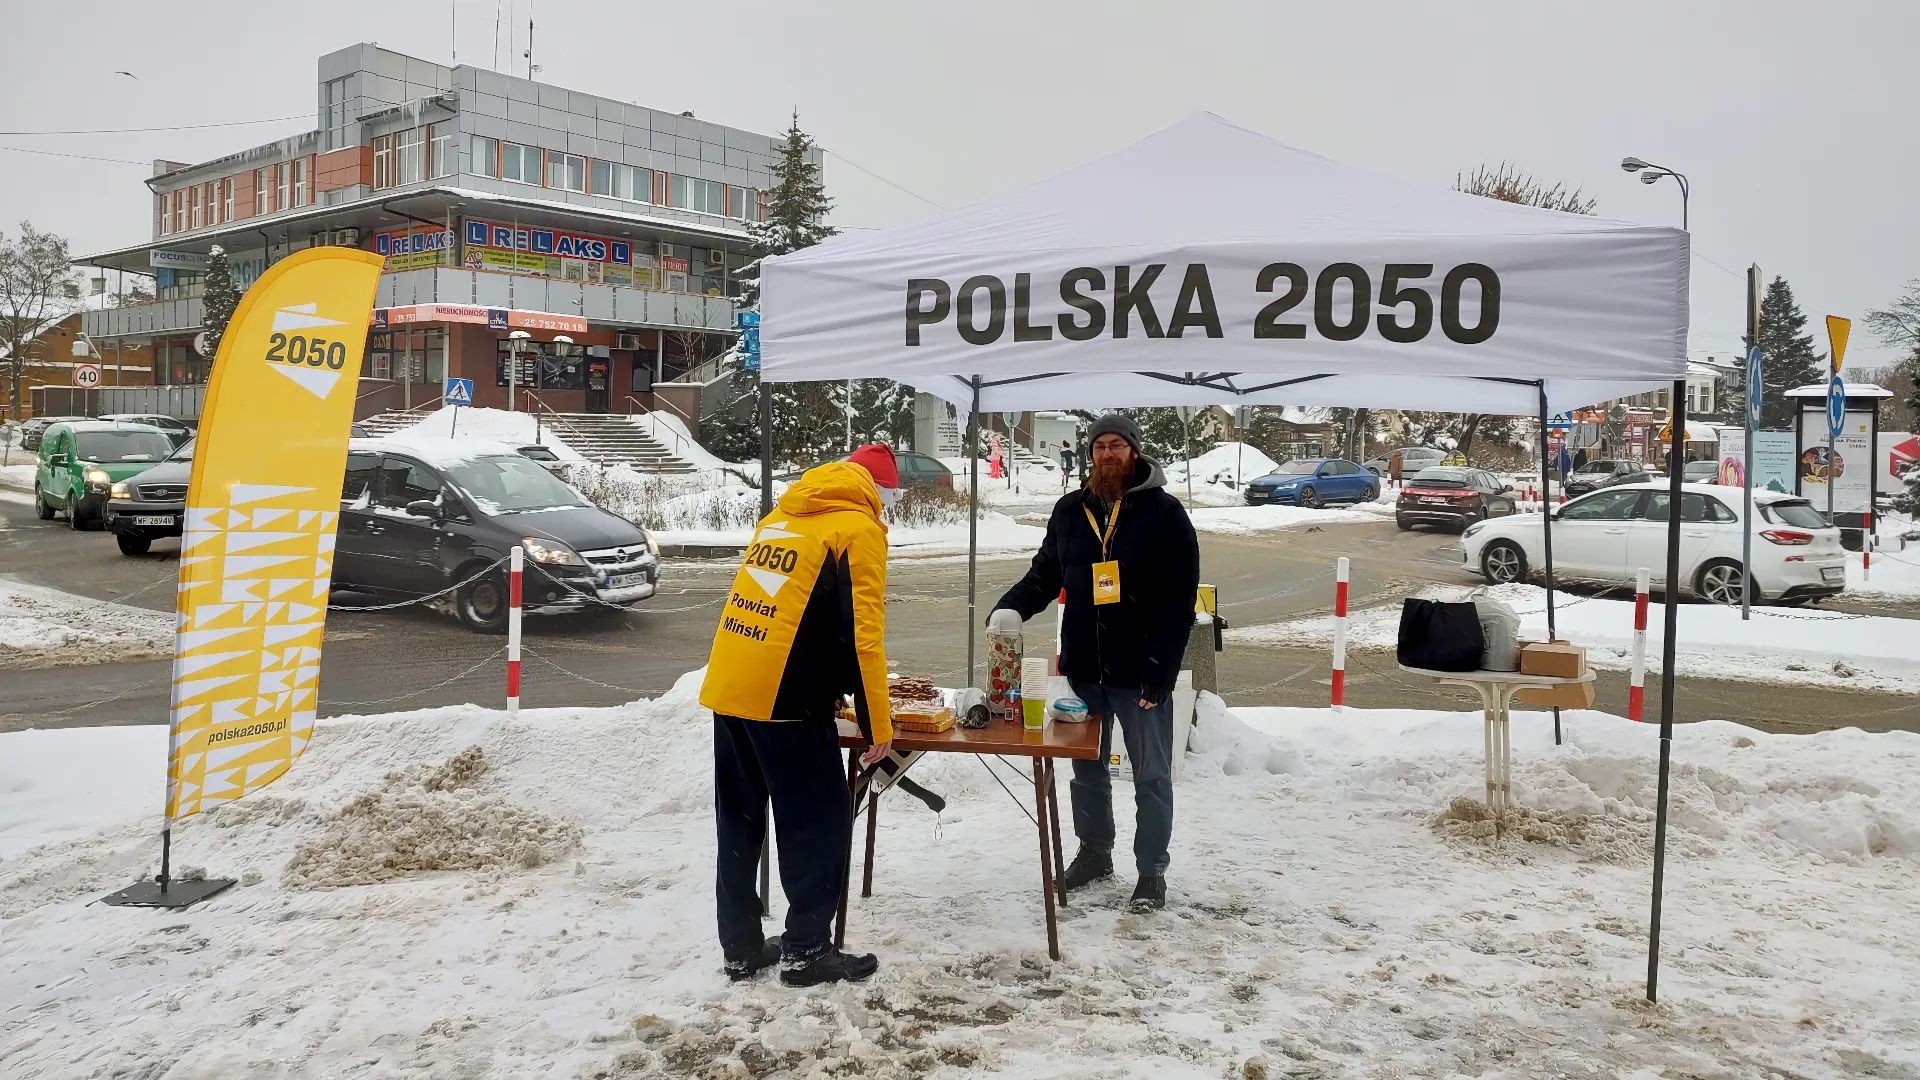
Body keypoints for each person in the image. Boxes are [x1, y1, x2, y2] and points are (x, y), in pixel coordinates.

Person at [700, 443, 899, 986]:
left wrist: (832, 685)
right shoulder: (857, 530)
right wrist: (878, 724)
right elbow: (863, 636)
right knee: (816, 823)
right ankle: (807, 950)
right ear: (878, 491)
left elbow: (792, 608)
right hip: (786, 701)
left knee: (740, 821)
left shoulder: (783, 515)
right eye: (889, 495)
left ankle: (739, 948)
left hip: (731, 685)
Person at [990, 415, 1199, 912]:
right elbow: (1044, 574)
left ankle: (1151, 871)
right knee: (1087, 769)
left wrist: (1161, 668)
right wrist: (1012, 606)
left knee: (1150, 774)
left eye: (1117, 447)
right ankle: (1094, 853)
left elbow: (1178, 600)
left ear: (1134, 453)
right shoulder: (1069, 511)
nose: (1107, 455)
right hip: (1084, 669)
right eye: (1099, 447)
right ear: (1090, 455)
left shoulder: (1166, 515)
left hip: (1141, 671)